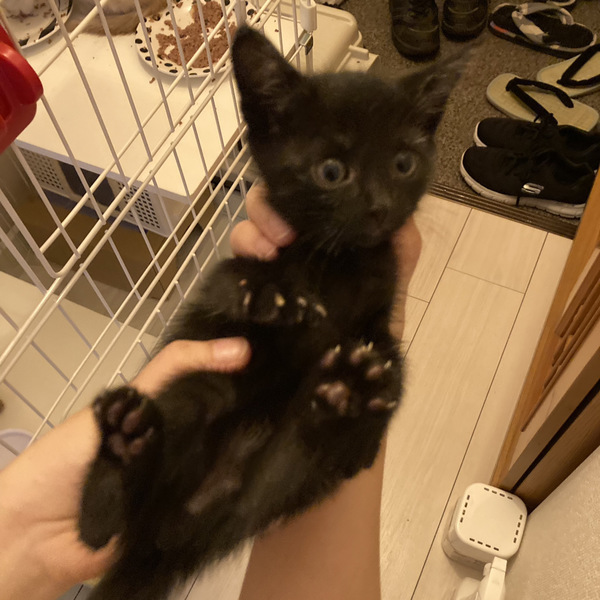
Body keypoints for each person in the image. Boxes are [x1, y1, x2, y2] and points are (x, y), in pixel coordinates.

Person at [0, 183, 421, 600]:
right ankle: (122, 482)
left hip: (233, 456)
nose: (377, 201)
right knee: (216, 424)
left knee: (221, 448)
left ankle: (121, 478)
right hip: (227, 451)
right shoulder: (289, 243)